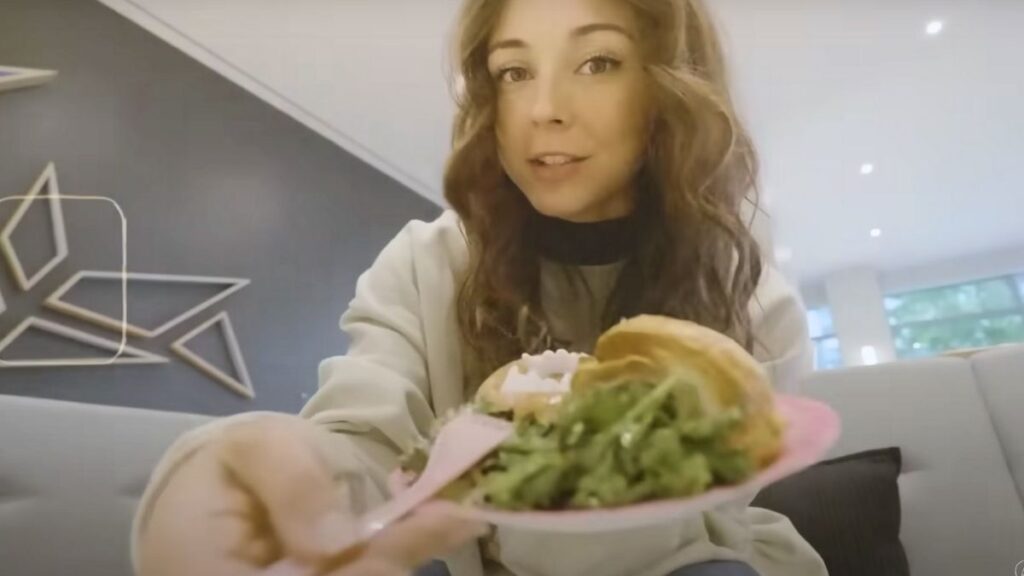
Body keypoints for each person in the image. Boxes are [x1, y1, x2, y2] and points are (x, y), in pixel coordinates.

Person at [134, 0, 828, 575]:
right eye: (514, 71)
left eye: (598, 62)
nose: (543, 110)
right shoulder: (426, 262)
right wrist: (251, 475)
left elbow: (696, 528)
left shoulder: (753, 303)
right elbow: (365, 443)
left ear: (669, 86)